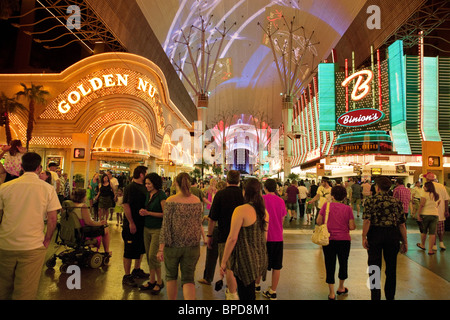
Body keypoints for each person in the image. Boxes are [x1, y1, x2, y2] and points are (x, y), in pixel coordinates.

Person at [0, 152, 61, 300]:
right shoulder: (47, 189)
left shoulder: (5, 187)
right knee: (25, 292)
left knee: (2, 288)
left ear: (21, 166)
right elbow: (53, 219)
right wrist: (47, 240)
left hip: (5, 245)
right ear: (39, 168)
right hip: (32, 246)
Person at [220, 178, 268, 300]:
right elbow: (264, 238)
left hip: (245, 259)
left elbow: (232, 238)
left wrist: (224, 261)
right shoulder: (264, 212)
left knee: (246, 294)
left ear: (244, 191)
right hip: (260, 258)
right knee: (250, 292)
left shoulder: (241, 210)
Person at [157, 172, 203, 300]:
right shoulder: (196, 201)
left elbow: (166, 226)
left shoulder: (171, 201)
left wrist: (161, 248)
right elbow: (198, 222)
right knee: (188, 279)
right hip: (192, 246)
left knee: (171, 277)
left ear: (175, 183)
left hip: (173, 246)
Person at [362, 177, 408, 300]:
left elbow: (367, 220)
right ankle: (390, 296)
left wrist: (363, 237)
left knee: (374, 267)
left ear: (377, 187)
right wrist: (405, 241)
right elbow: (401, 224)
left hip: (375, 234)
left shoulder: (370, 201)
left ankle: (375, 296)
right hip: (392, 235)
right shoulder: (396, 202)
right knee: (391, 268)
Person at [206, 170, 244, 300]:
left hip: (224, 236)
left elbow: (212, 218)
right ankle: (237, 289)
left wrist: (209, 236)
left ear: (227, 180)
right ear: (239, 181)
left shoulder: (220, 195)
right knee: (240, 264)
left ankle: (232, 293)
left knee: (228, 265)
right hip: (242, 236)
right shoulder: (243, 195)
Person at [316, 185, 355, 300]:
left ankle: (331, 293)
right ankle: (341, 287)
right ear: (344, 196)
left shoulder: (326, 206)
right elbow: (352, 226)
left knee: (329, 264)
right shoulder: (348, 209)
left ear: (332, 195)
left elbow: (318, 221)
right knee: (343, 263)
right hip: (344, 240)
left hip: (329, 240)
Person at [139, 173, 167, 294]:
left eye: (149, 183)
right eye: (146, 183)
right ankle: (152, 280)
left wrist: (149, 213)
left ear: (155, 183)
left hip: (157, 229)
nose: (147, 186)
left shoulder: (161, 195)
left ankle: (159, 281)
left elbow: (165, 214)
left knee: (153, 256)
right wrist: (144, 212)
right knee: (149, 257)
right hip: (146, 227)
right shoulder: (148, 194)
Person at [121, 165, 149, 287]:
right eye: (146, 173)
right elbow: (125, 205)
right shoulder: (130, 187)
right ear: (142, 174)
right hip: (132, 224)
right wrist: (131, 222)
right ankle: (127, 275)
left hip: (142, 223)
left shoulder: (144, 187)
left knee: (140, 247)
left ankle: (136, 270)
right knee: (129, 249)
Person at [259, 178, 286, 300]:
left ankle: (256, 285)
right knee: (276, 266)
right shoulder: (280, 201)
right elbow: (282, 219)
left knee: (259, 262)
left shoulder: (261, 200)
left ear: (265, 188)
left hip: (263, 237)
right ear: (276, 188)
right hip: (277, 237)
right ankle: (273, 291)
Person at [198, 178, 226, 286]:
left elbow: (213, 218)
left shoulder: (218, 198)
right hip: (225, 230)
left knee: (211, 255)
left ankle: (208, 278)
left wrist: (208, 235)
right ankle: (228, 281)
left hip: (216, 229)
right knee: (225, 257)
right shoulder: (228, 199)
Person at [71, 188, 111, 256]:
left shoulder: (69, 205)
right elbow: (88, 222)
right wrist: (100, 223)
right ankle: (106, 252)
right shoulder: (83, 206)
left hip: (72, 230)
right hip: (82, 231)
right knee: (106, 229)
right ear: (82, 196)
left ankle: (92, 244)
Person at [423, 172, 449, 251]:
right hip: (440, 212)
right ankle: (441, 243)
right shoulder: (441, 186)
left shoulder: (425, 187)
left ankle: (434, 245)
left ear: (427, 179)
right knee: (440, 229)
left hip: (429, 212)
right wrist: (446, 210)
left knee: (432, 229)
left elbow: (423, 199)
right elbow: (446, 199)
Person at [416, 181, 440, 255]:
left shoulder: (424, 194)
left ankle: (422, 245)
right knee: (432, 233)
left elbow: (421, 205)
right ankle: (430, 250)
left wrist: (418, 214)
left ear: (427, 187)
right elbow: (438, 204)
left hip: (425, 214)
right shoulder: (437, 195)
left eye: (424, 186)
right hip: (435, 215)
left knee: (424, 231)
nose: (423, 187)